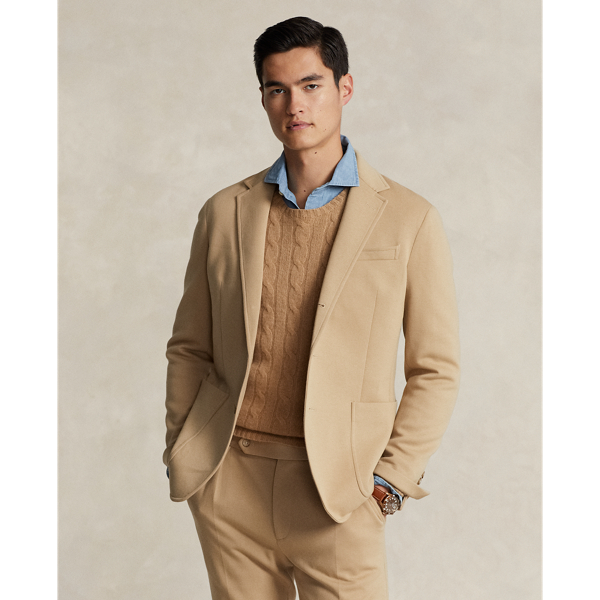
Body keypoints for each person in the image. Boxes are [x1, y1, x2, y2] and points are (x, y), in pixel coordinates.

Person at [163, 16, 460, 600]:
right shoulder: (224, 212)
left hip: (339, 494)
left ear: (344, 88)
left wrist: (389, 480)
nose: (294, 104)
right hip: (231, 481)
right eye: (277, 89)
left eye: (310, 85)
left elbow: (436, 369)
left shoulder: (409, 218)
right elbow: (190, 347)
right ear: (263, 99)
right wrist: (184, 451)